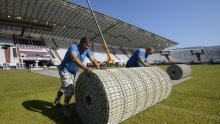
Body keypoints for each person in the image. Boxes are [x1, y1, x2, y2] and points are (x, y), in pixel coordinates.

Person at [53, 37, 100, 117]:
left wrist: (98, 68)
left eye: (88, 46)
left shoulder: (87, 50)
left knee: (64, 87)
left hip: (72, 72)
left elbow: (93, 59)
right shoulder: (74, 47)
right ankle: (65, 108)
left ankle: (56, 101)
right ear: (81, 43)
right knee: (70, 89)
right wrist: (85, 68)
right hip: (65, 69)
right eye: (85, 45)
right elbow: (74, 58)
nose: (87, 47)